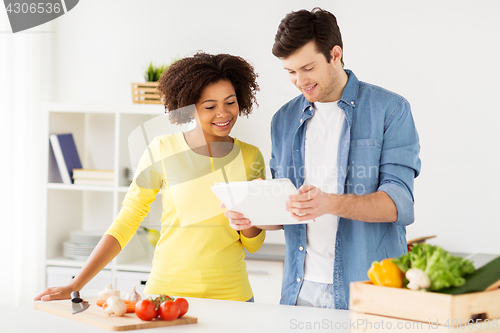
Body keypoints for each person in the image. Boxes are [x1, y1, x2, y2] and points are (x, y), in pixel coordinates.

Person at [227, 8, 421, 309]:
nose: (299, 81)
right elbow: (287, 213)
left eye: (307, 68)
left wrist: (329, 202)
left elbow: (399, 205)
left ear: (335, 55)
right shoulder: (283, 120)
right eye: (290, 72)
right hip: (299, 290)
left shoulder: (390, 110)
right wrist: (254, 214)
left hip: (369, 288)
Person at [35, 52, 266, 303]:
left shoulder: (250, 157)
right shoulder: (162, 149)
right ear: (188, 108)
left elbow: (254, 244)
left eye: (230, 102)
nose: (223, 113)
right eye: (210, 106)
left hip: (233, 297)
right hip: (166, 296)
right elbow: (127, 221)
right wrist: (76, 284)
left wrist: (249, 218)